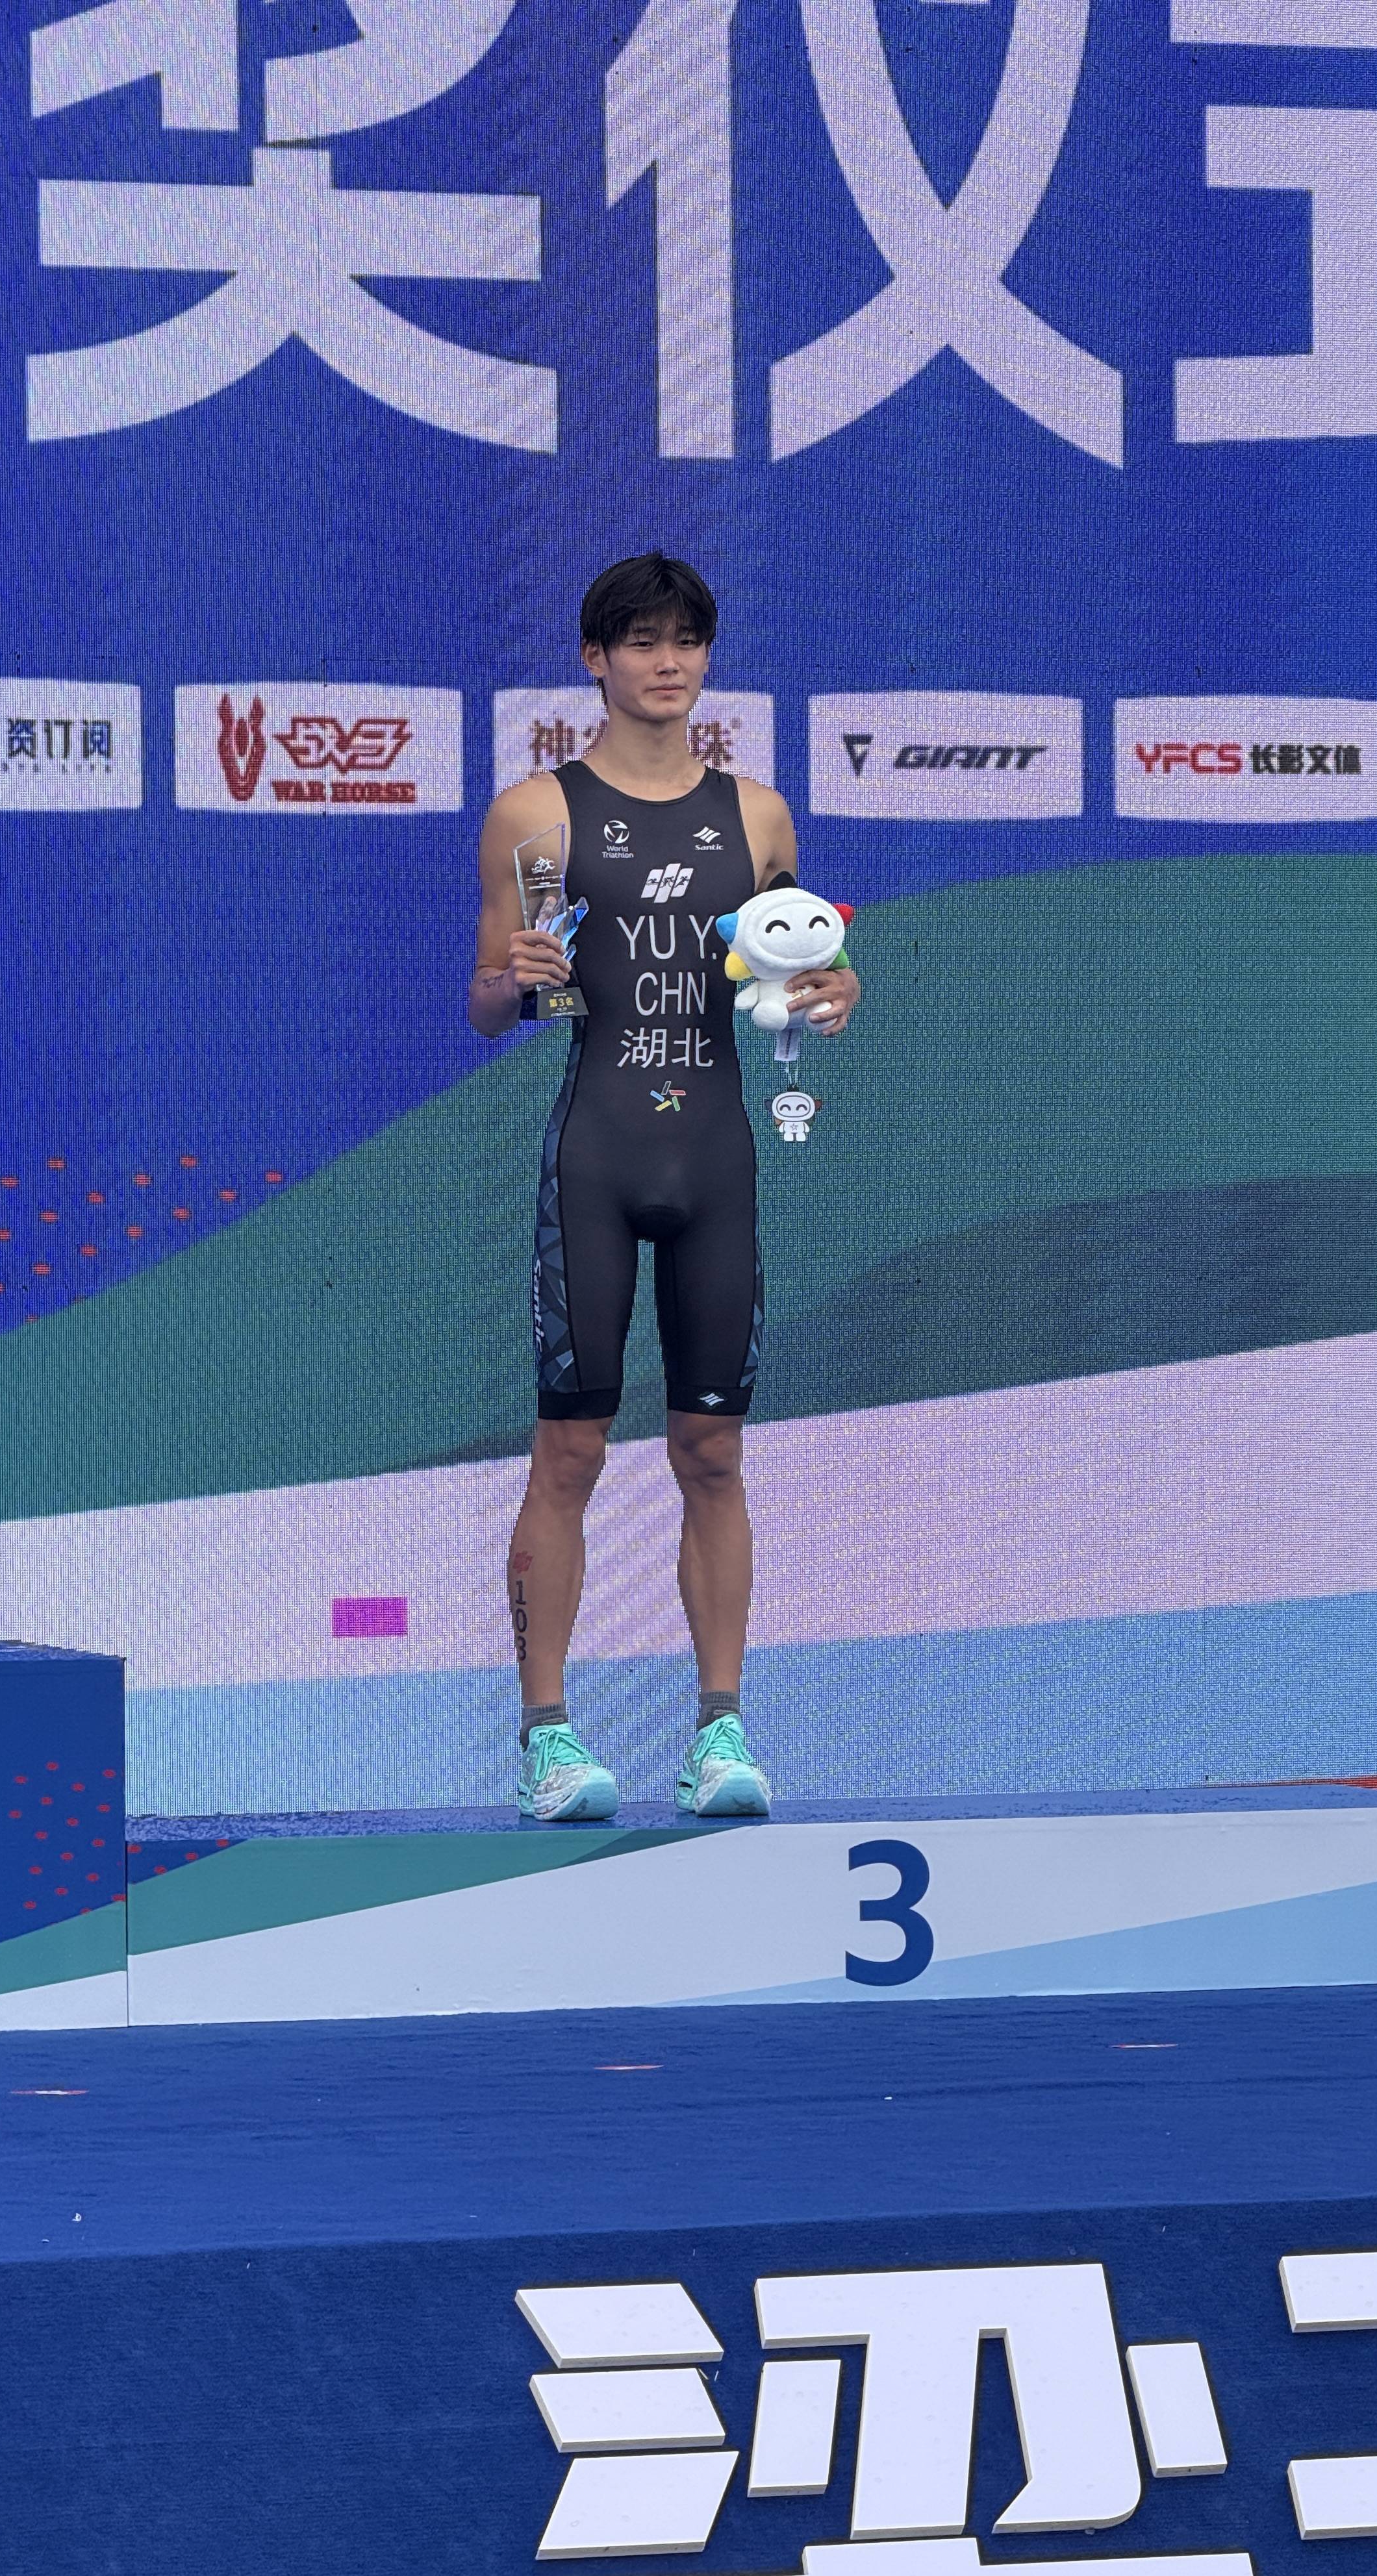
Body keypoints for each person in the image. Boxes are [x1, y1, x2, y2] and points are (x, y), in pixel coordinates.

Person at [469, 554, 859, 1821]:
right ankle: (546, 1740)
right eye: (641, 641)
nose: (667, 662)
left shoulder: (761, 817)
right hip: (598, 1154)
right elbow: (490, 1003)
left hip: (715, 1162)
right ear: (596, 660)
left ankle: (720, 1735)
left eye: (685, 640)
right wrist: (515, 978)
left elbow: (793, 973)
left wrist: (834, 991)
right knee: (570, 1447)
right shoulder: (535, 813)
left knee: (713, 1451)